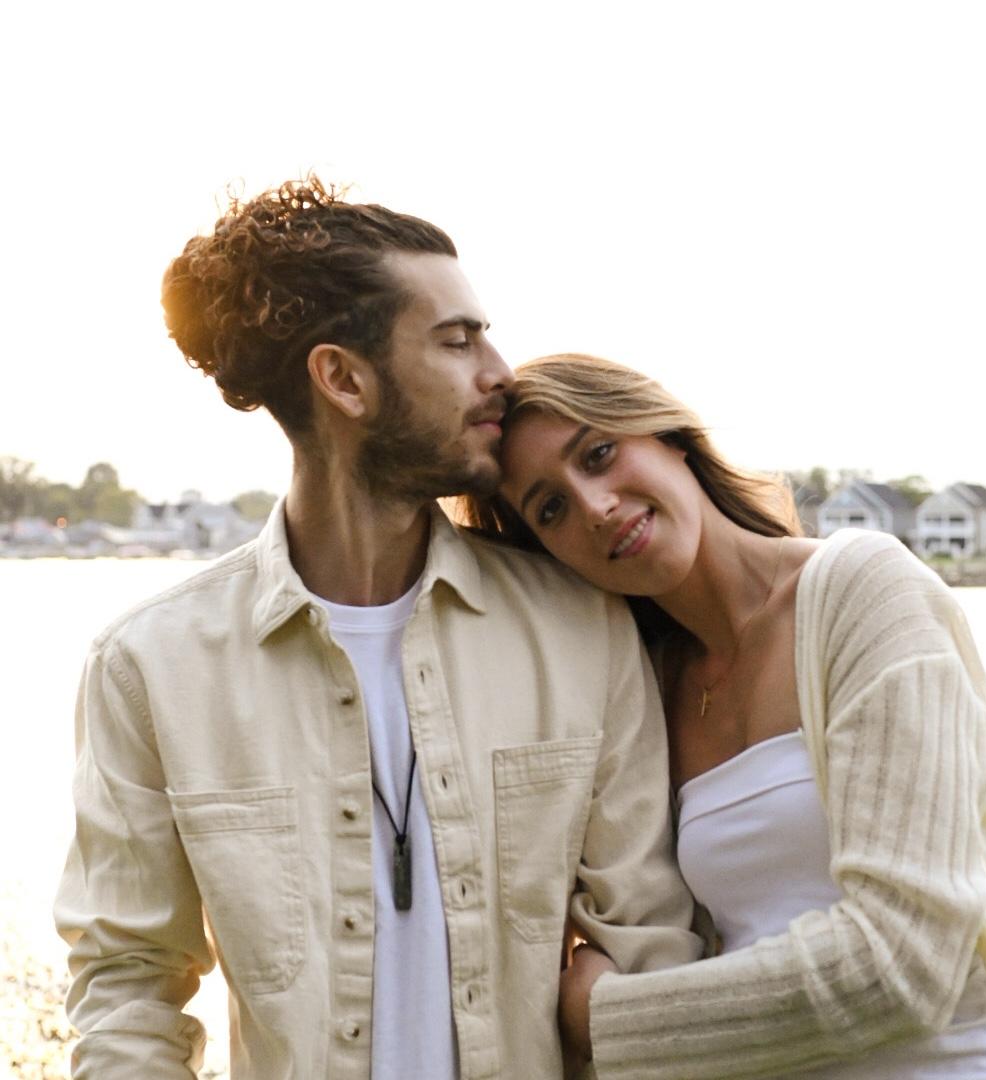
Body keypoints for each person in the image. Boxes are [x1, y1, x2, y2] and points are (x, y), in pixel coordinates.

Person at [53, 184, 701, 1080]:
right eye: (457, 340)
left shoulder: (582, 627)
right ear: (345, 380)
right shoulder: (150, 669)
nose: (499, 373)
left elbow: (649, 946)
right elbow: (128, 986)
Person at [466, 352, 986, 1079]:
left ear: (667, 435)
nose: (595, 506)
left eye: (599, 454)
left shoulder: (863, 592)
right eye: (550, 509)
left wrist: (601, 1020)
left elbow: (906, 961)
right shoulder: (644, 687)